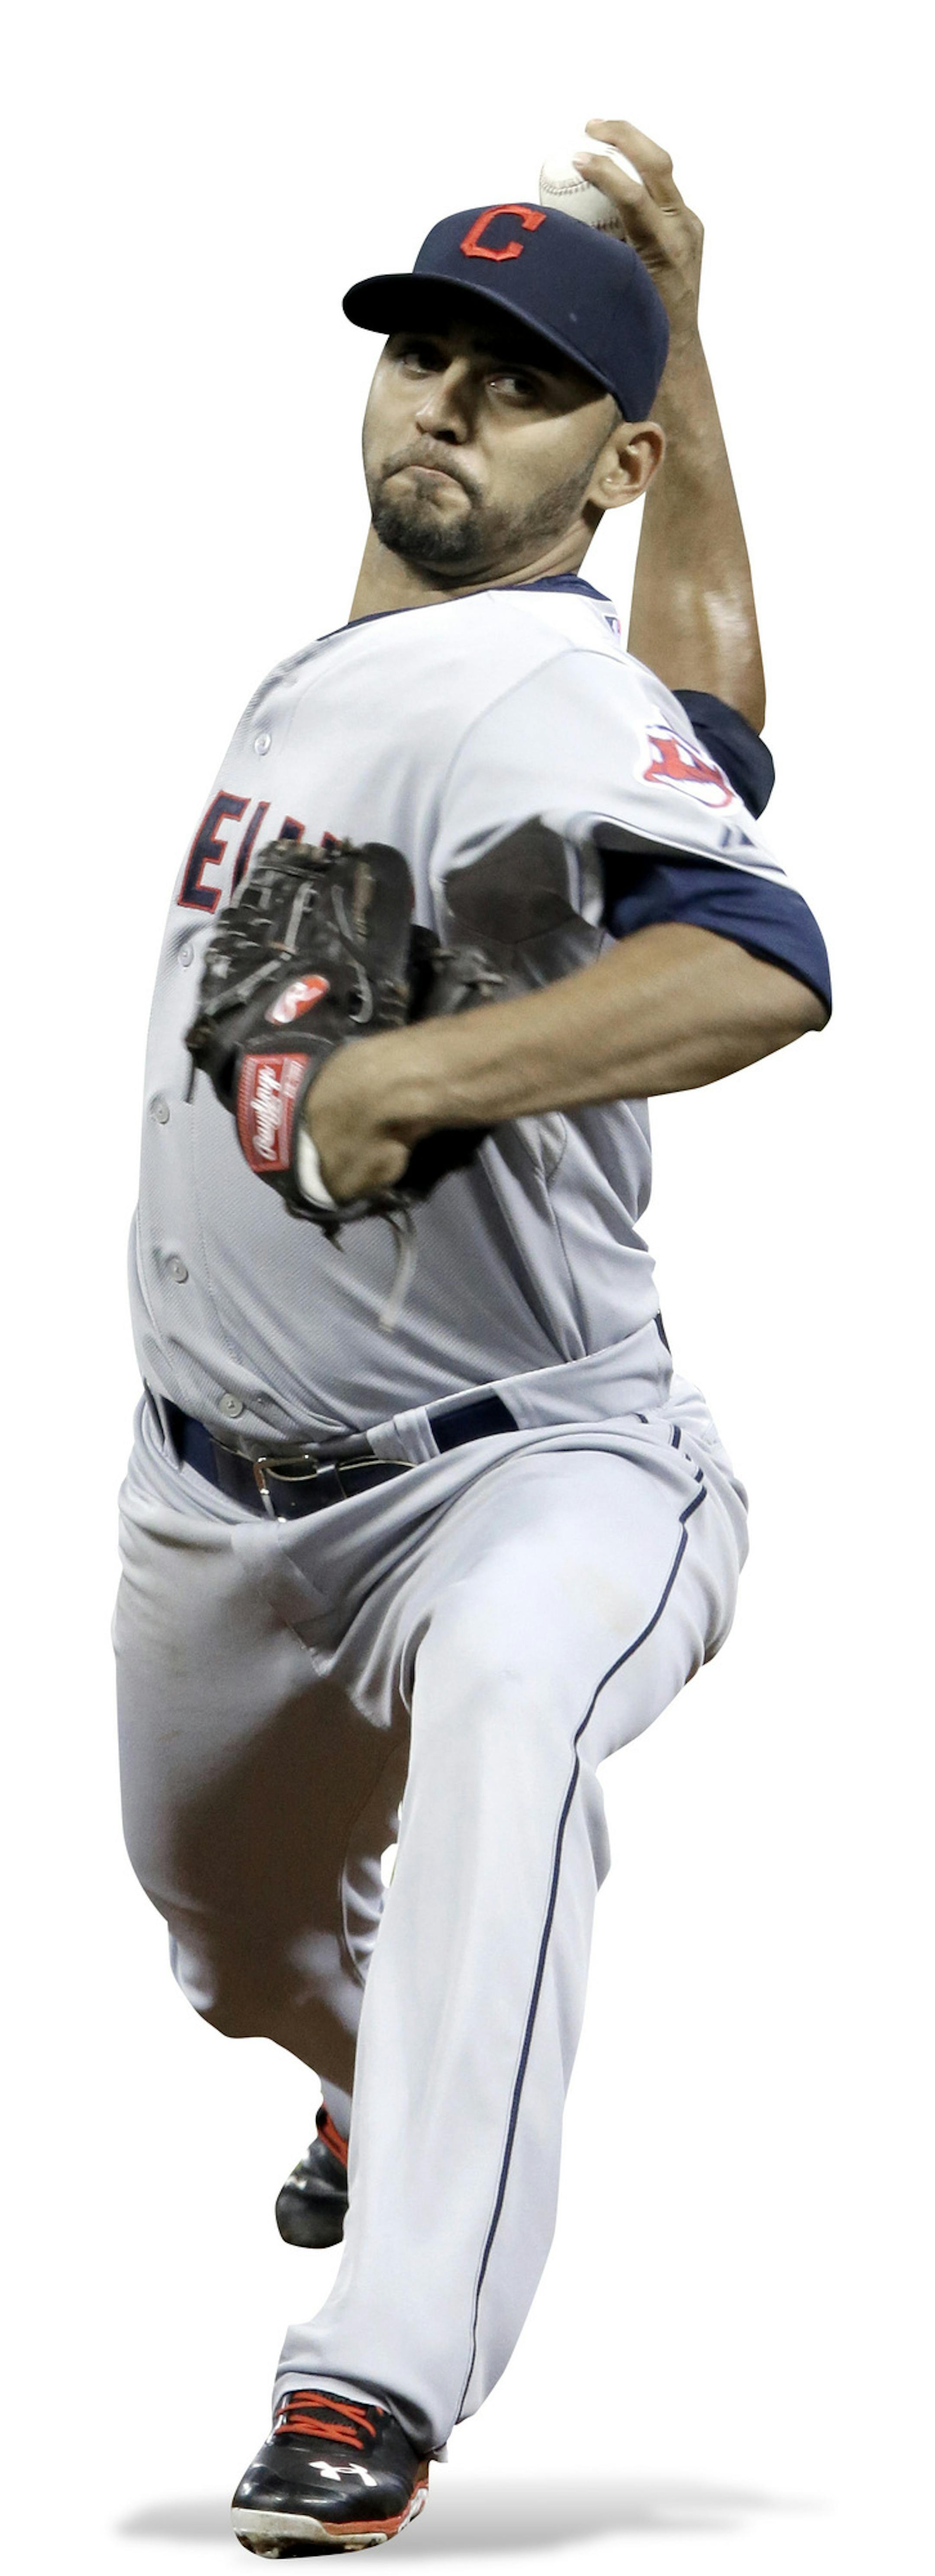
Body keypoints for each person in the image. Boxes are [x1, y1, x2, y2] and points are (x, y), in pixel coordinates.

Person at [114, 121, 830, 2556]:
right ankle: (369, 2081)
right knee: (232, 1948)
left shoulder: (527, 676)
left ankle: (376, 2380)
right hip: (214, 1490)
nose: (444, 400)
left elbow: (760, 955)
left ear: (604, 474)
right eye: (424, 351)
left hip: (543, 1473)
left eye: (522, 383)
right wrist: (675, 357)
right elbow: (719, 729)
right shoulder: (385, 666)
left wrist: (412, 1079)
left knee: (510, 1730)